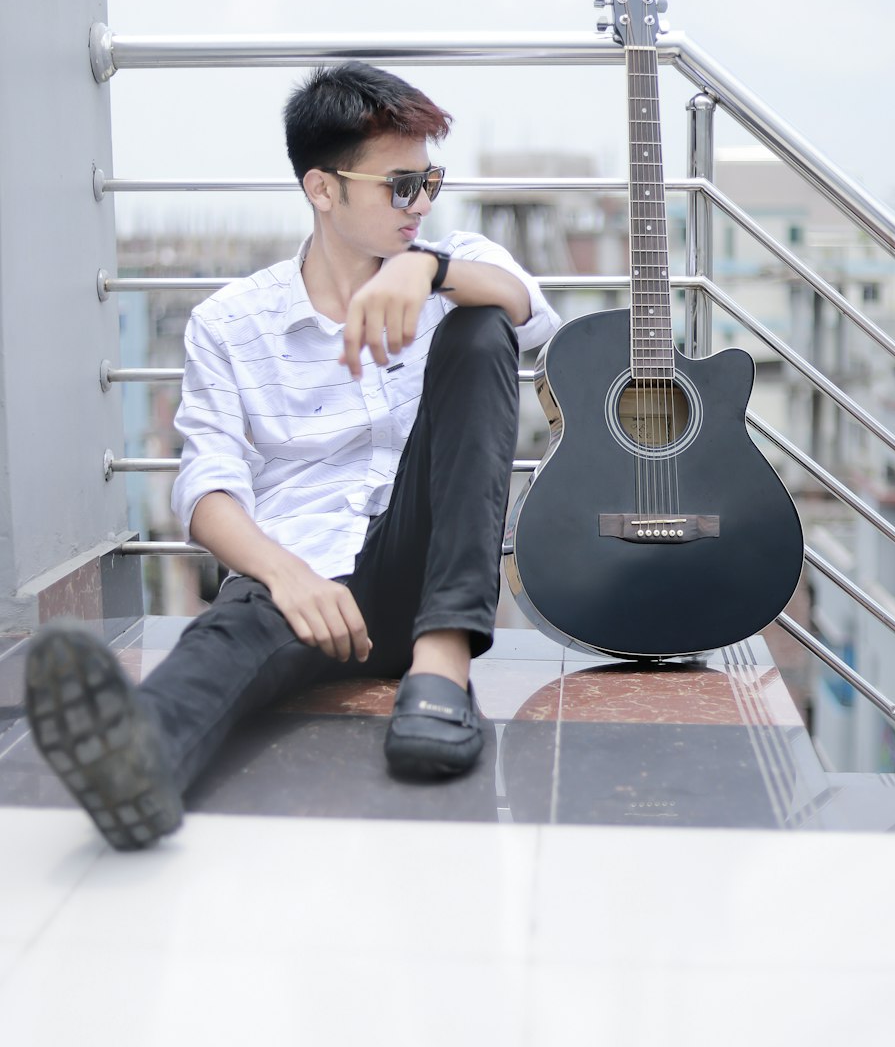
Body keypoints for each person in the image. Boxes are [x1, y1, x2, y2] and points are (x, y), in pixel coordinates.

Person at [25, 62, 560, 851]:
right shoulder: (232, 322)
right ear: (322, 189)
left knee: (482, 329)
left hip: (425, 581)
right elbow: (206, 489)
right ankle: (140, 762)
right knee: (226, 635)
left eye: (429, 180)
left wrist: (432, 271)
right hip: (307, 583)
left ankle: (443, 671)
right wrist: (285, 574)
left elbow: (531, 312)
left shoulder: (452, 267)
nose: (421, 204)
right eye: (398, 185)